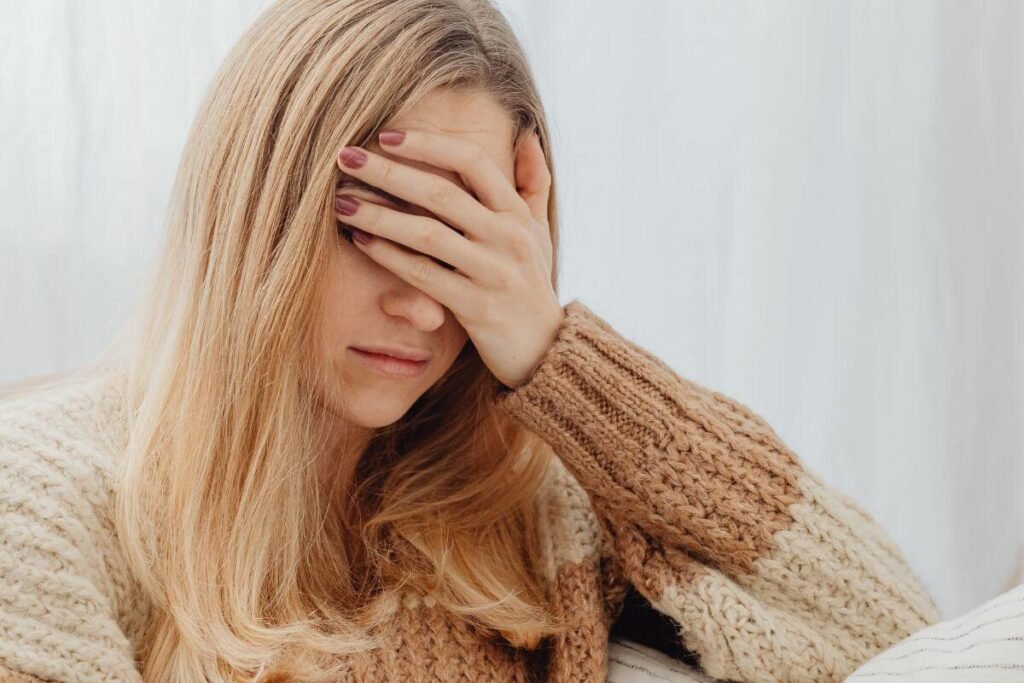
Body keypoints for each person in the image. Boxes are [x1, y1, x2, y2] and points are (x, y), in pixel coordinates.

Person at [0, 0, 941, 681]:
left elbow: (900, 635)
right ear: (256, 215)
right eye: (374, 230)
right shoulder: (47, 497)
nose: (420, 307)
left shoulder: (537, 508)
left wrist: (557, 358)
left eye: (462, 244)